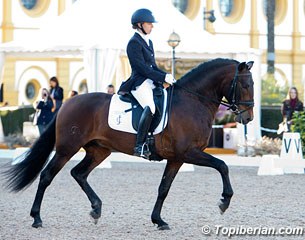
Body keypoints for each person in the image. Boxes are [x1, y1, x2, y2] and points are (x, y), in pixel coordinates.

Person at [118, 8, 176, 158]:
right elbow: (142, 68)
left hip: (150, 81)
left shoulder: (148, 41)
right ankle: (139, 145)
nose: (152, 26)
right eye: (149, 23)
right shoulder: (133, 43)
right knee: (150, 106)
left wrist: (165, 76)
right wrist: (162, 78)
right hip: (139, 82)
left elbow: (153, 66)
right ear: (139, 24)